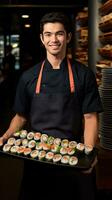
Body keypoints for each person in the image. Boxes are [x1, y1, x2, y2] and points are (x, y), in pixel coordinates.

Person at [0, 12, 103, 200]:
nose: (53, 39)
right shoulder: (28, 77)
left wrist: (88, 153)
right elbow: (21, 116)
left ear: (69, 37)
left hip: (72, 156)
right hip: (36, 160)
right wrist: (7, 135)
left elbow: (90, 117)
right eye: (48, 34)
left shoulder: (84, 75)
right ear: (41, 38)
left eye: (59, 34)